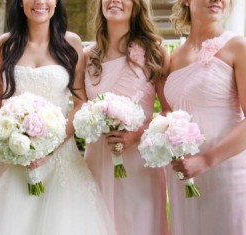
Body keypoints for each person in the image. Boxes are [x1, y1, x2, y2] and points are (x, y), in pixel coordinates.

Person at [0, 0, 115, 234]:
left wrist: (47, 146)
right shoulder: (6, 44)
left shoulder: (71, 43)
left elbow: (80, 103)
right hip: (16, 155)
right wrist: (10, 141)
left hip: (61, 155)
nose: (40, 2)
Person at [83, 0, 170, 234]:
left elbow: (168, 112)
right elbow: (80, 110)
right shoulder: (87, 57)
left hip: (139, 164)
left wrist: (136, 135)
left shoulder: (155, 51)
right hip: (97, 160)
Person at [165, 0, 246, 234]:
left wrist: (206, 160)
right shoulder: (175, 56)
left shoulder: (237, 46)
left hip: (224, 172)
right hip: (183, 175)